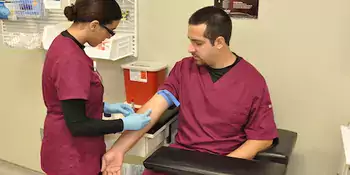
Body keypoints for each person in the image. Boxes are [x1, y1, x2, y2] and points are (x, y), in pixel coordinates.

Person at [101, 6, 279, 175]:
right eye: (190, 41)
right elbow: (150, 111)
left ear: (219, 42)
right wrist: (118, 149)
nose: (190, 48)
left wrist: (216, 169)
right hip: (181, 160)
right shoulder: (184, 69)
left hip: (223, 162)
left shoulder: (252, 81)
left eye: (197, 43)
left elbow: (262, 139)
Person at [40, 0, 152, 174]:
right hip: (72, 154)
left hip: (64, 144)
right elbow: (78, 125)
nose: (109, 37)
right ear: (94, 25)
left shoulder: (64, 42)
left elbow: (68, 98)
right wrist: (123, 123)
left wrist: (104, 107)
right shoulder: (71, 59)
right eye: (110, 31)